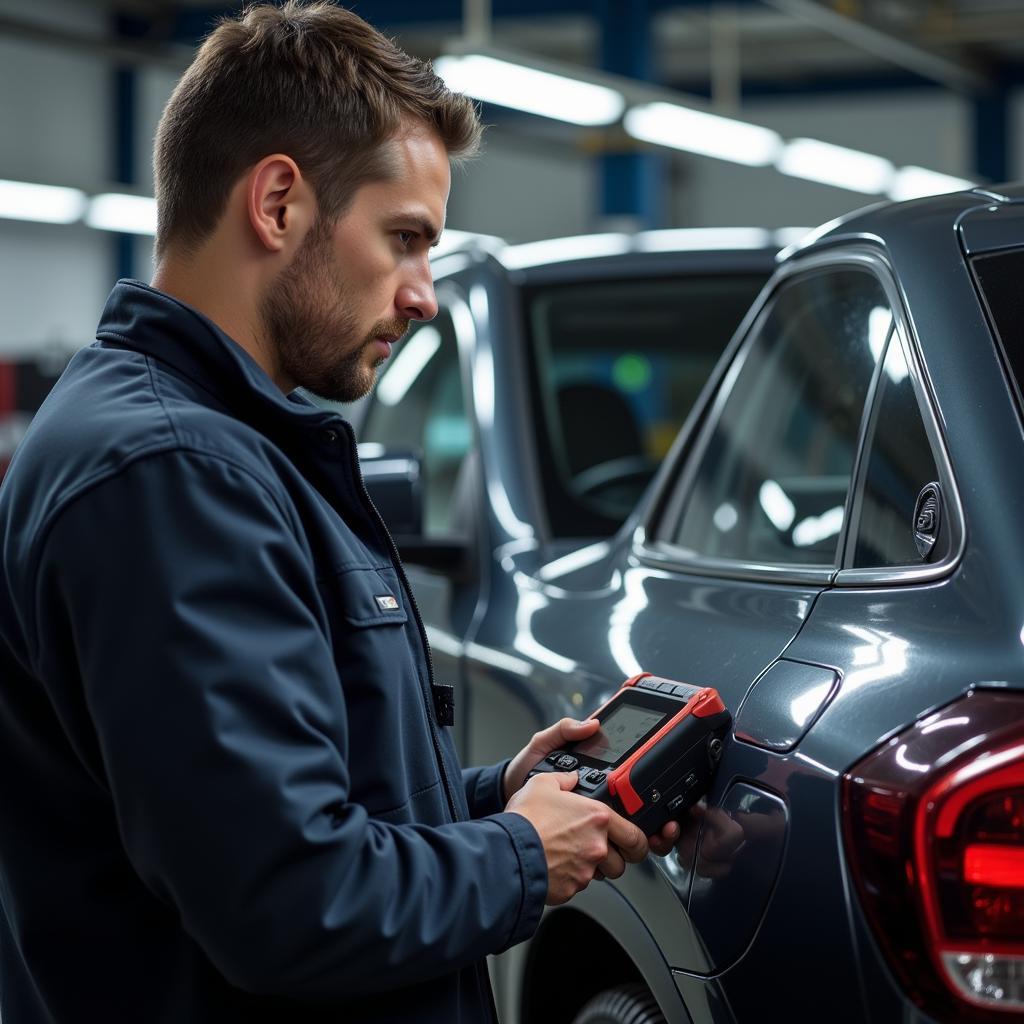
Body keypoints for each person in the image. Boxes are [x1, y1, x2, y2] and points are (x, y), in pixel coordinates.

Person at [0, 4, 678, 1022]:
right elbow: (286, 900)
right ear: (277, 204)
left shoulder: (217, 446)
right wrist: (520, 854)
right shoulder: (175, 473)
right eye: (403, 239)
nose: (423, 295)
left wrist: (492, 798)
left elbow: (275, 808)